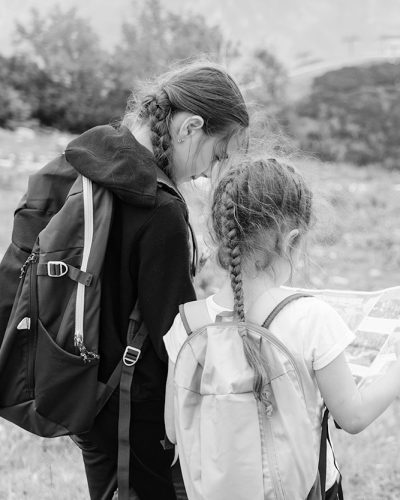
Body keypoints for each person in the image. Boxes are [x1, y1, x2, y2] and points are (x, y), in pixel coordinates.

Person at [163, 157, 400, 499]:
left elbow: (173, 429)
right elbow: (354, 416)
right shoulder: (310, 317)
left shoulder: (186, 324)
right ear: (290, 242)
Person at [67, 62, 249, 499]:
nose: (212, 169)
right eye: (219, 152)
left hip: (83, 384)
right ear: (191, 127)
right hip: (135, 405)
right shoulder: (161, 209)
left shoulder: (99, 160)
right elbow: (176, 334)